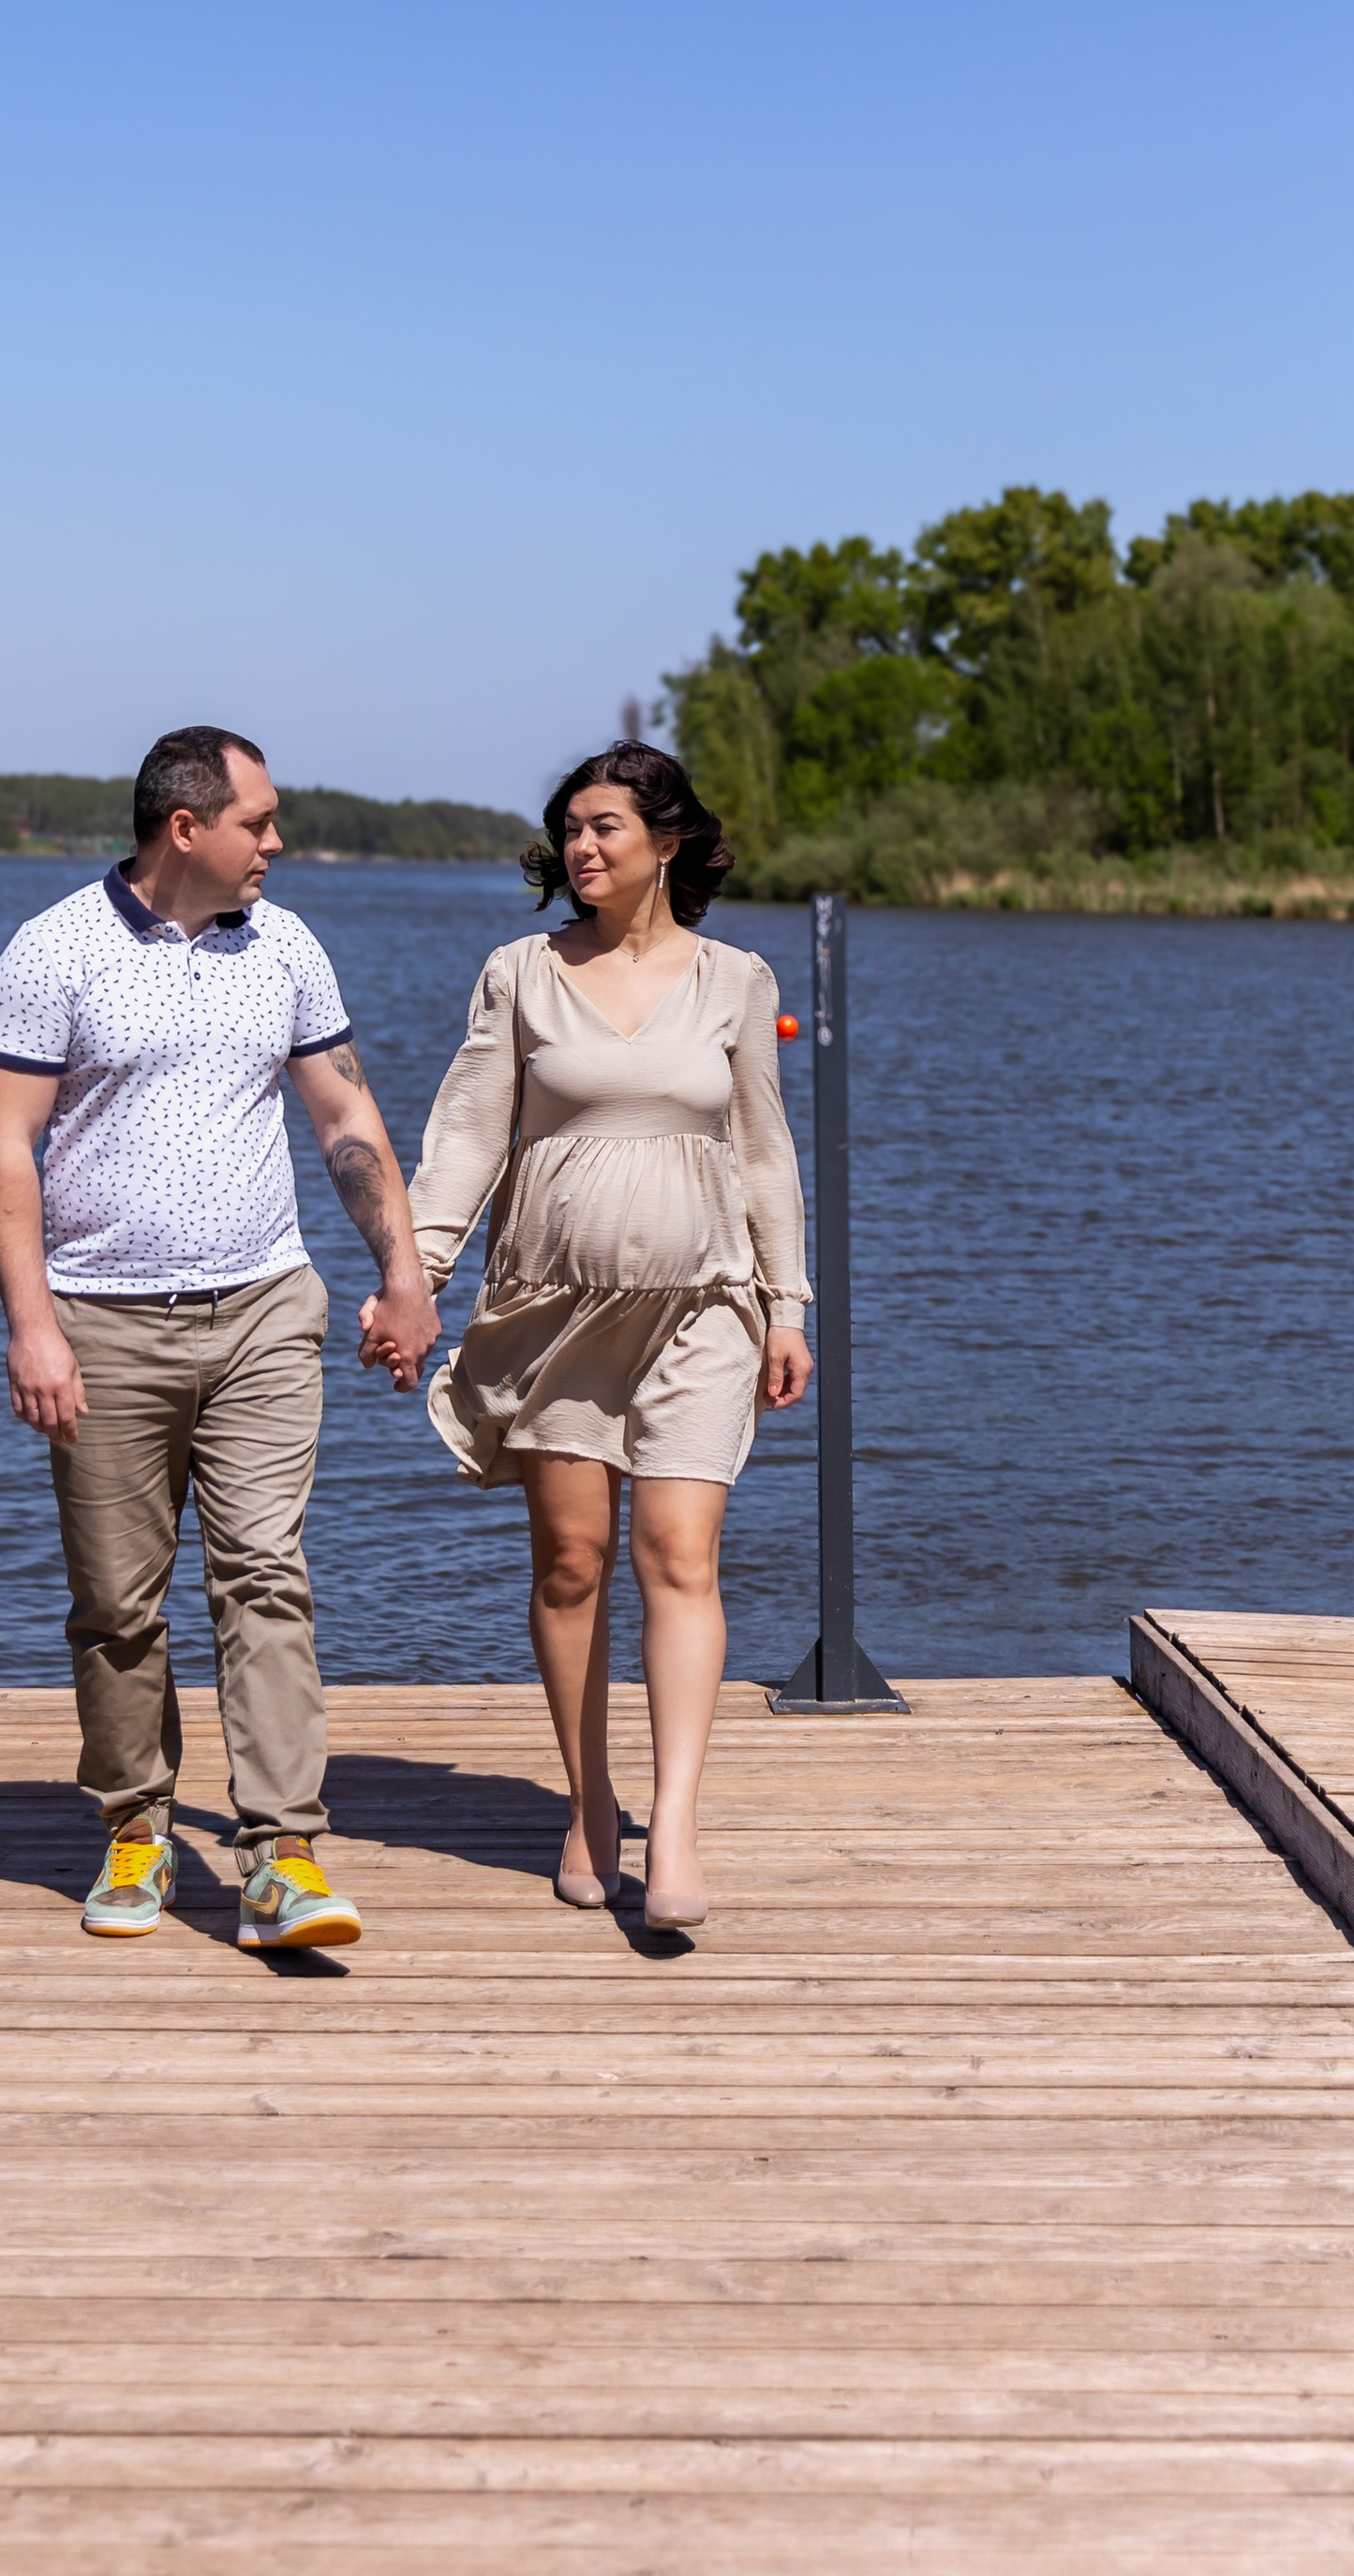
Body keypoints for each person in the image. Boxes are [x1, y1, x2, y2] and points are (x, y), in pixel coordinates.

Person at [0, 725, 440, 1949]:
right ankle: (137, 1825)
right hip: (100, 1322)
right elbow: (1, 1147)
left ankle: (282, 1851)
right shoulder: (53, 952)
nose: (277, 844)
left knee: (264, 1573)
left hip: (266, 1311)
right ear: (188, 828)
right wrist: (33, 1327)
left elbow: (343, 1110)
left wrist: (400, 1272)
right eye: (260, 821)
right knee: (120, 1605)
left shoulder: (282, 945)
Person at [370, 742, 811, 1931]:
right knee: (572, 1564)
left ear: (666, 842)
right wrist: (414, 1274)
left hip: (701, 1310)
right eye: (570, 828)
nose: (582, 847)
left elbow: (763, 1159)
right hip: (553, 1311)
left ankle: (671, 1826)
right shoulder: (520, 972)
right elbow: (465, 1137)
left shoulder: (734, 978)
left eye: (606, 826)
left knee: (680, 1556)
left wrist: (787, 1303)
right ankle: (586, 1798)